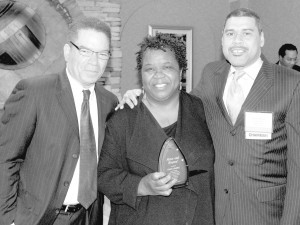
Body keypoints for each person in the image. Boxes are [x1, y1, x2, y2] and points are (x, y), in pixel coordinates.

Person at [119, 8, 300, 225]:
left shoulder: (291, 83)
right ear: (222, 38)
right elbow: (183, 108)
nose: (237, 41)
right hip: (216, 211)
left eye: (246, 33)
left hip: (266, 214)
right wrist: (144, 97)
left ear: (261, 38)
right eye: (230, 33)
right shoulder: (211, 74)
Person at [0, 17, 118, 225]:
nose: (94, 61)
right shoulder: (33, 92)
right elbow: (5, 158)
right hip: (37, 218)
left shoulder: (109, 102)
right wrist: (8, 218)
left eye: (102, 54)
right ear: (67, 51)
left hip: (88, 217)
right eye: (85, 51)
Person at [98, 33, 215, 225]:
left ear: (181, 71)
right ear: (140, 74)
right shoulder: (123, 119)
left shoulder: (201, 110)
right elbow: (103, 175)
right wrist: (140, 186)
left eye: (167, 67)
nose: (158, 75)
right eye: (149, 69)